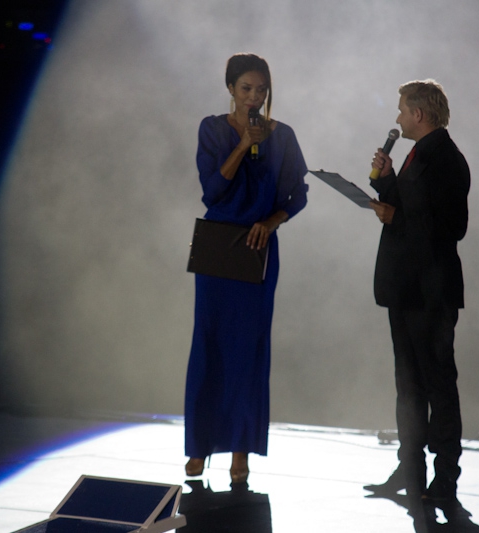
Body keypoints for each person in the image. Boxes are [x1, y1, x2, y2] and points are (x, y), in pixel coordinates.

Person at [184, 53, 308, 484]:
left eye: (261, 90)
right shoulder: (212, 128)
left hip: (257, 247)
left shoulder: (282, 135)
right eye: (246, 89)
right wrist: (242, 145)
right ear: (231, 89)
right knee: (210, 345)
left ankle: (241, 452)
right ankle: (199, 447)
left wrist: (271, 222)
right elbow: (212, 191)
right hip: (218, 247)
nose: (254, 97)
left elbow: (297, 194)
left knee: (249, 351)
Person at [365, 79, 470, 519]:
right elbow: (410, 208)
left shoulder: (446, 159)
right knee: (408, 386)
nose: (397, 118)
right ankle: (410, 469)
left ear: (419, 114)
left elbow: (450, 226)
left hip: (430, 291)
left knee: (437, 384)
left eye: (402, 110)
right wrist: (387, 182)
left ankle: (444, 477)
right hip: (407, 288)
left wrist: (396, 214)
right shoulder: (418, 154)